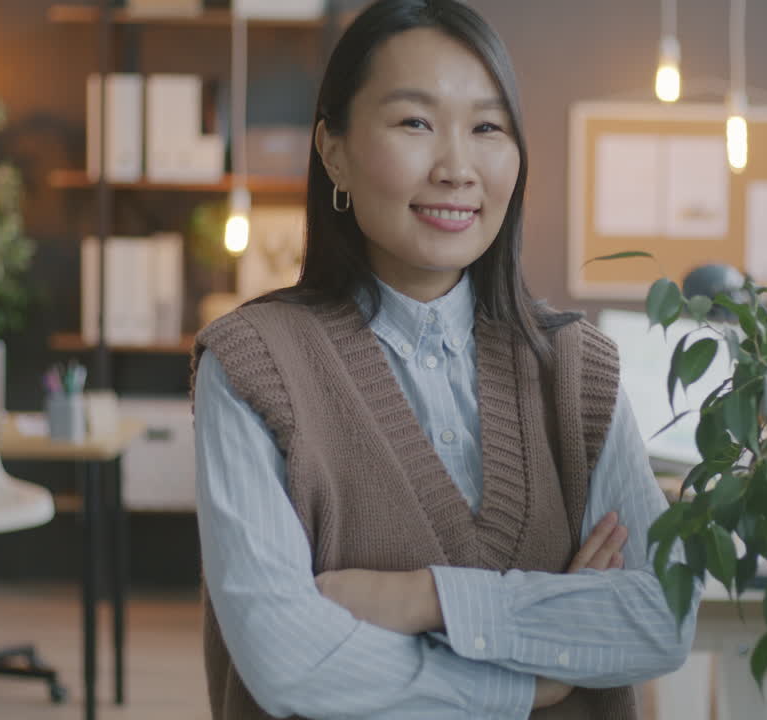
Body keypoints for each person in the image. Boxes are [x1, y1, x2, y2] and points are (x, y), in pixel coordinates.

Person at [191, 0, 700, 717]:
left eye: (488, 127)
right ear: (333, 149)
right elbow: (287, 659)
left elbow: (663, 616)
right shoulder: (252, 366)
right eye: (415, 123)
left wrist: (419, 599)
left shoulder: (575, 368)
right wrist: (534, 675)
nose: (458, 168)